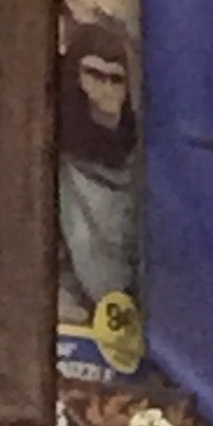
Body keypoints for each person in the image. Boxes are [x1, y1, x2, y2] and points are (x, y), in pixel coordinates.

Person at [57, 18, 139, 325]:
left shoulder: (140, 160)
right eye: (94, 75)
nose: (106, 91)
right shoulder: (55, 162)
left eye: (115, 80)